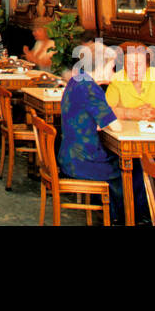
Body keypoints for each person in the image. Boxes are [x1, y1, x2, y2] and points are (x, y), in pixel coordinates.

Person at [57, 40, 131, 223]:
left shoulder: (77, 81)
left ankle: (114, 216)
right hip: (83, 161)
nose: (113, 72)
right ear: (100, 66)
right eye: (112, 67)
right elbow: (115, 125)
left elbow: (94, 119)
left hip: (69, 155)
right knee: (132, 171)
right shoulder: (90, 87)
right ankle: (124, 219)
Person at [106, 42, 155, 121]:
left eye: (139, 64)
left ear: (147, 65)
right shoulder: (116, 79)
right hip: (125, 130)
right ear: (123, 65)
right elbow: (105, 111)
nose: (134, 69)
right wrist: (131, 113)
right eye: (129, 64)